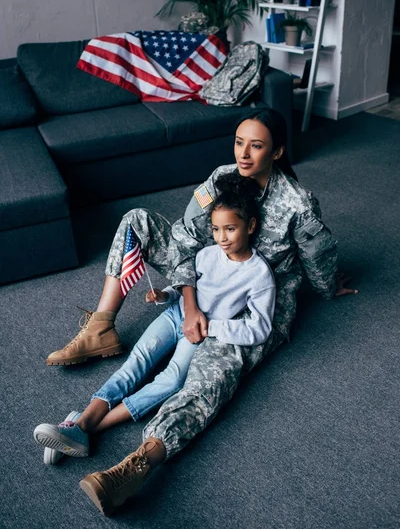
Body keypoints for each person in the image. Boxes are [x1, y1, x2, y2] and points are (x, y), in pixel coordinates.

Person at [45, 107, 357, 515]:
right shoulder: (221, 179)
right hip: (203, 284)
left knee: (206, 381)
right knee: (137, 219)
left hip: (249, 309)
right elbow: (188, 239)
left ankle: (136, 464)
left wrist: (328, 286)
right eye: (239, 142)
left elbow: (319, 257)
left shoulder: (298, 203)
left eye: (257, 146)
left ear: (277, 151)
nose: (244, 154)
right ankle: (101, 327)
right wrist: (188, 303)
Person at [34, 174, 276, 465]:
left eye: (230, 229)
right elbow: (187, 290)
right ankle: (82, 424)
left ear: (250, 226)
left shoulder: (259, 274)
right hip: (176, 315)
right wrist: (165, 296)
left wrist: (211, 326)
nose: (222, 237)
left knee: (171, 380)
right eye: (215, 229)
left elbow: (260, 328)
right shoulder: (208, 254)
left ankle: (85, 426)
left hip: (201, 333)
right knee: (135, 364)